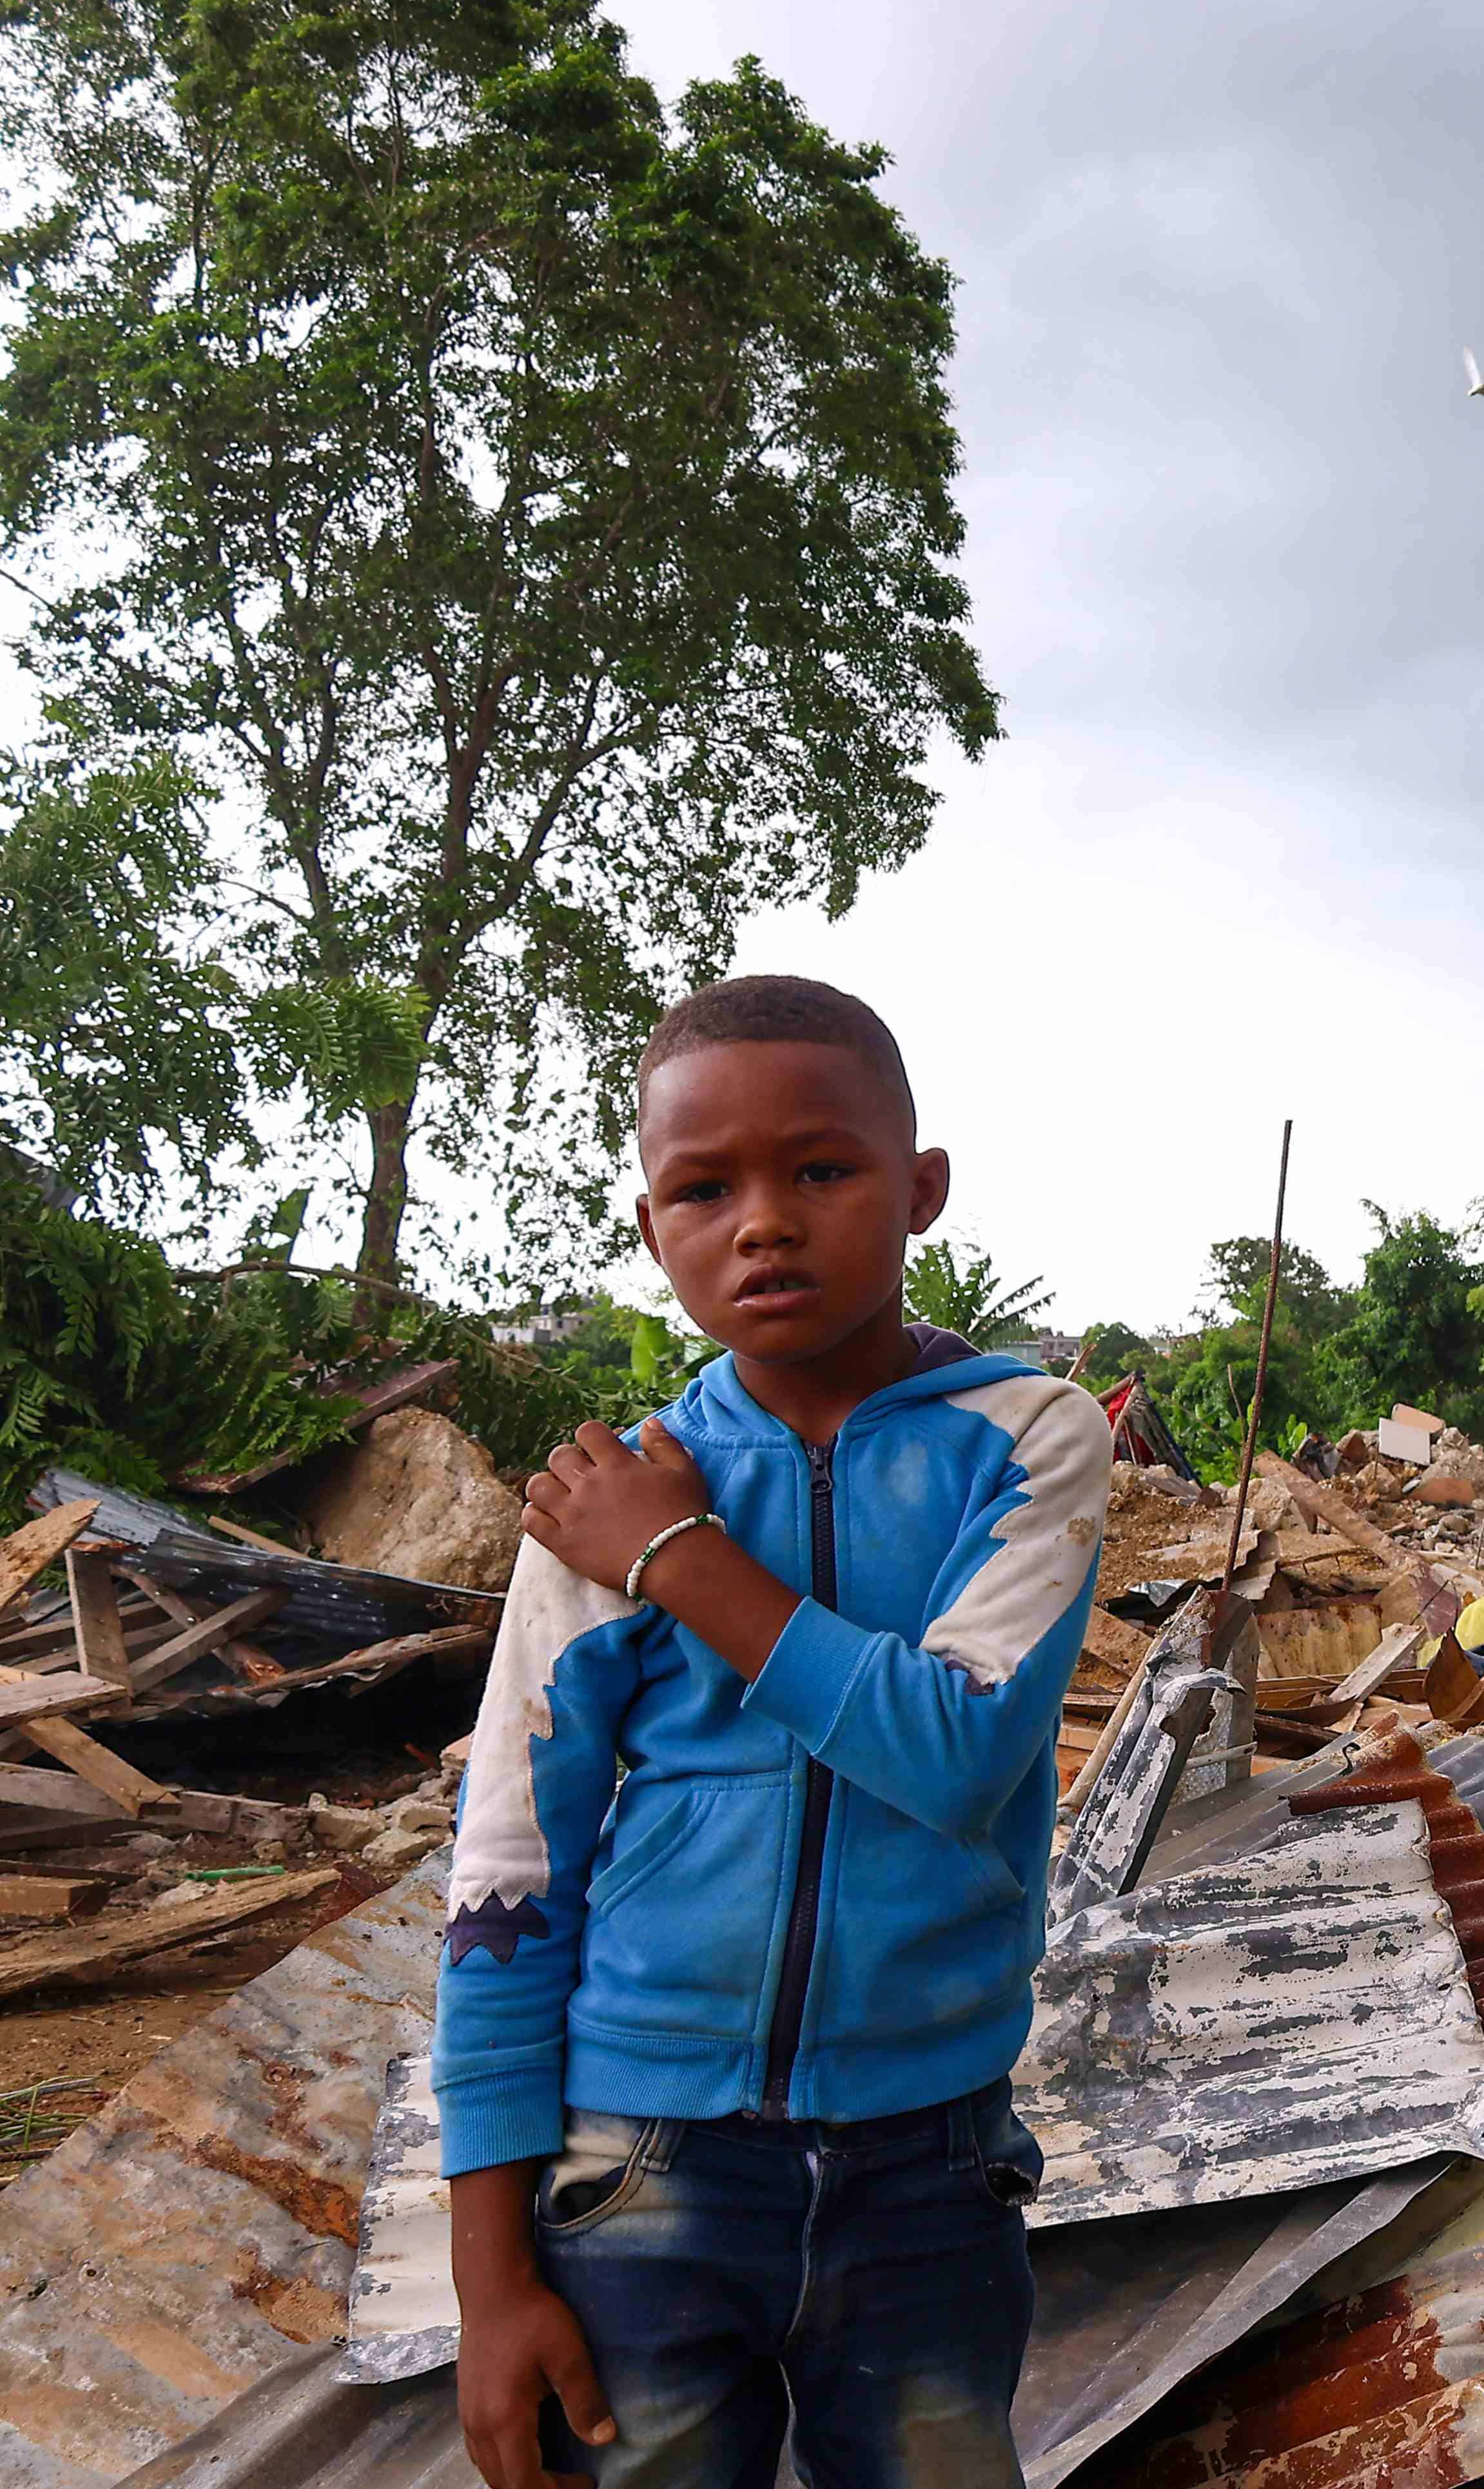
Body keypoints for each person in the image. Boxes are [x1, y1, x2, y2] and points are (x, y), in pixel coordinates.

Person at [435, 976, 1108, 2489]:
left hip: (927, 2162)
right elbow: (505, 1877)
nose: (766, 1222)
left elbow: (954, 1752)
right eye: (705, 1187)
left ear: (920, 1188)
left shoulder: (1027, 1439)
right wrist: (491, 2280)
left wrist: (682, 1560)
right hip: (640, 2166)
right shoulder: (597, 1499)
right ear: (650, 1225)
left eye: (822, 1169)